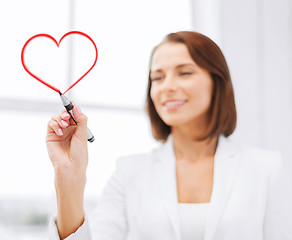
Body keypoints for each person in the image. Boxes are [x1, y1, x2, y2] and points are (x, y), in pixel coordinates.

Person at [47, 31, 291, 240]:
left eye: (184, 73)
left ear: (217, 83)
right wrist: (69, 176)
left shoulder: (266, 168)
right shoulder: (130, 172)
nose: (167, 87)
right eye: (158, 78)